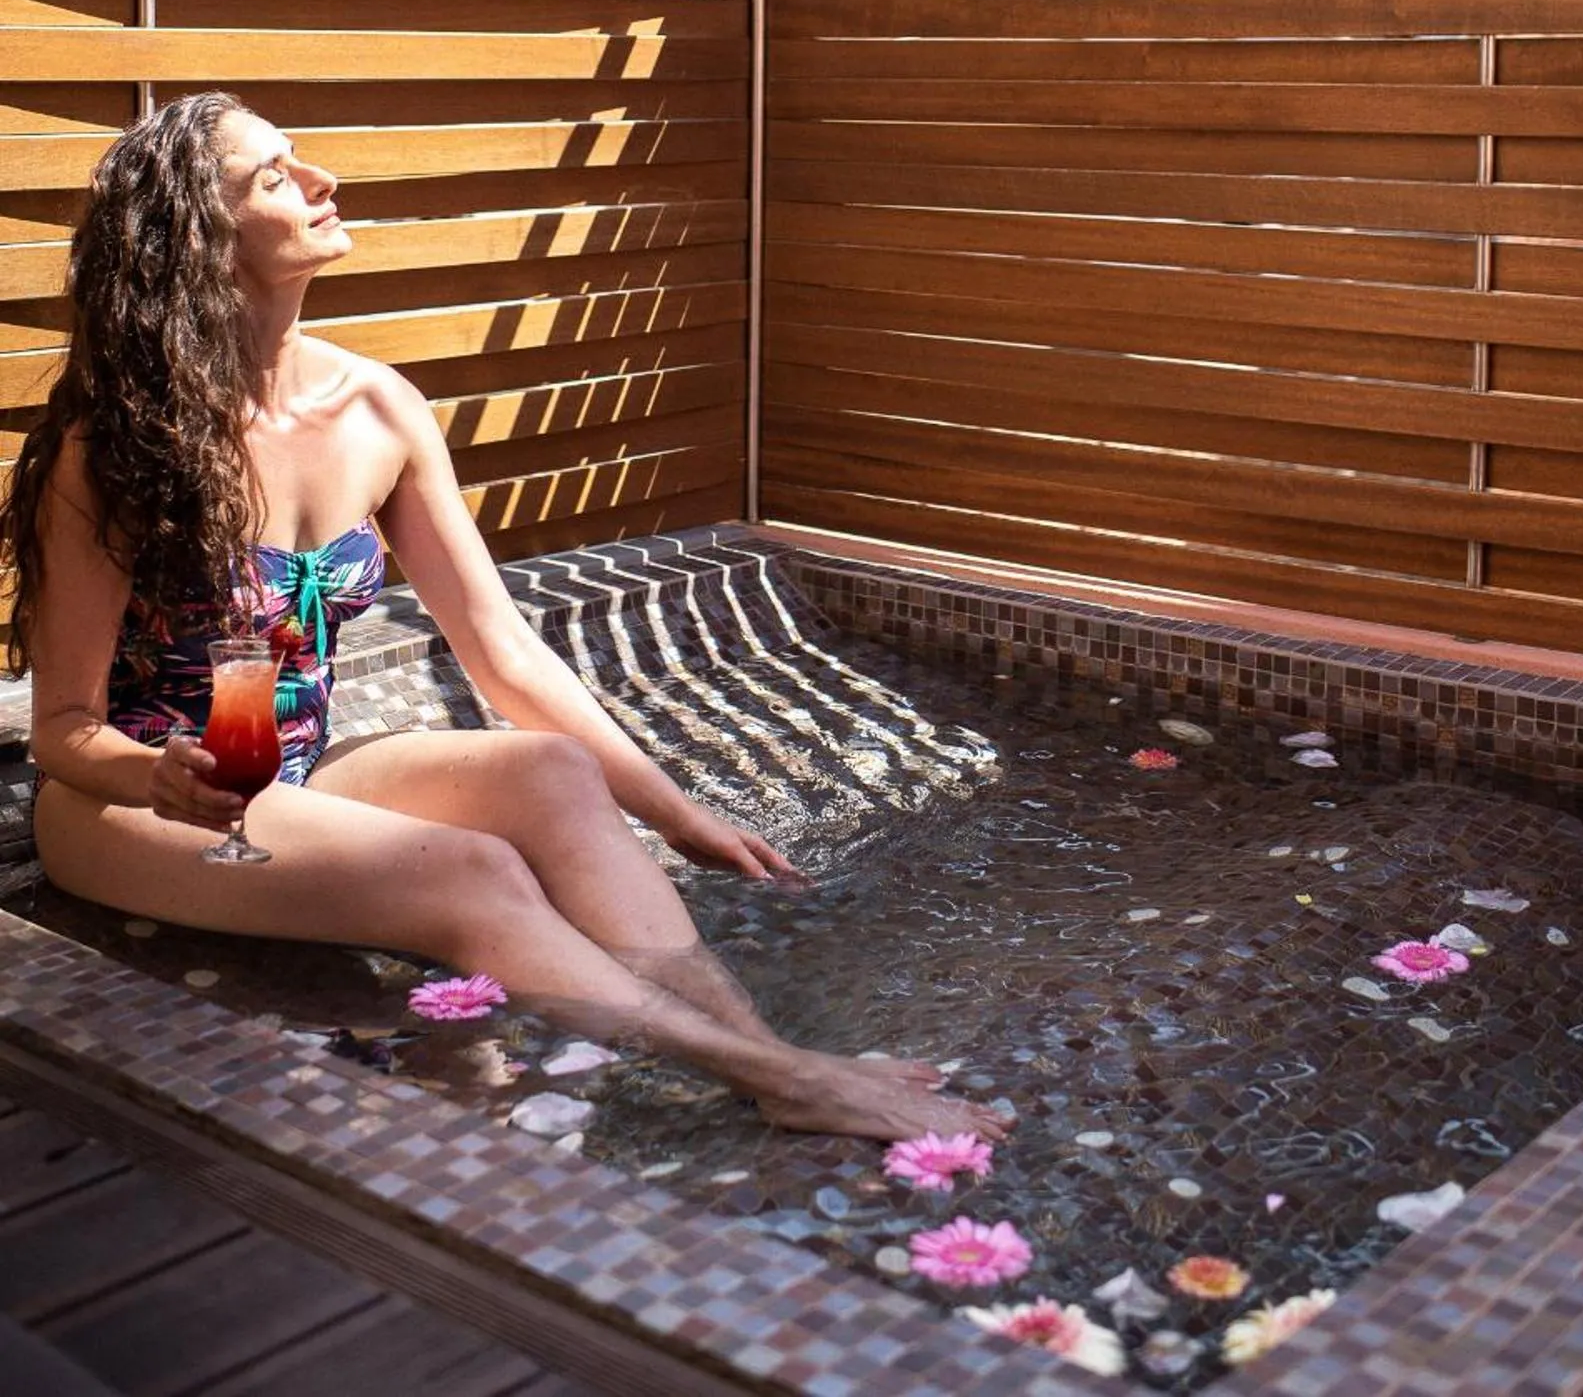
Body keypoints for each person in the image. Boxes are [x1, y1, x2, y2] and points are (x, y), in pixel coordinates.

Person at [2, 93, 1006, 1146]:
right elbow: (64, 727)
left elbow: (502, 649)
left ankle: (772, 1062)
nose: (322, 181)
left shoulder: (378, 407)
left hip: (290, 776)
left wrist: (673, 810)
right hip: (138, 806)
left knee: (552, 770)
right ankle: (782, 1076)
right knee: (472, 872)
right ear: (200, 239)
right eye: (274, 176)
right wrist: (156, 775)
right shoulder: (111, 448)